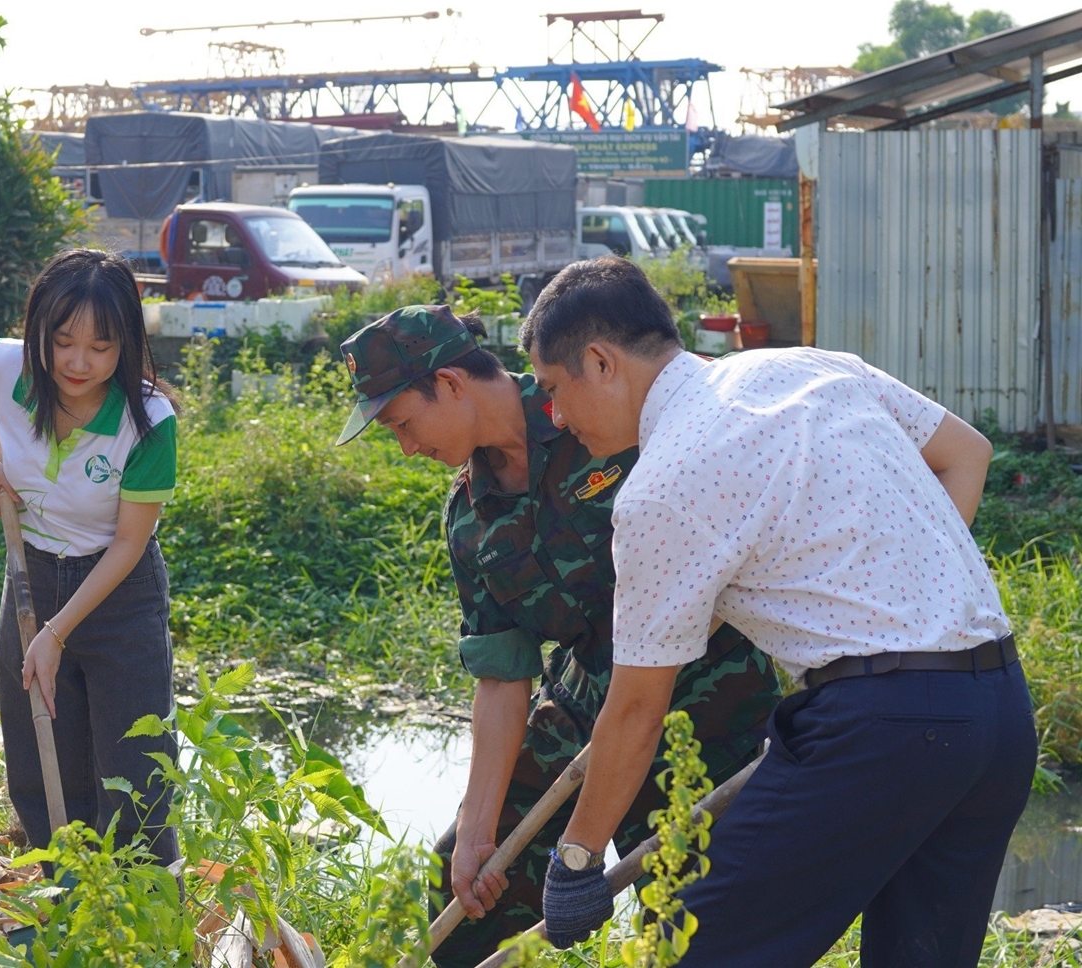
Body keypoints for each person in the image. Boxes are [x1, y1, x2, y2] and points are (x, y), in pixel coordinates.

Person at [527, 257, 1035, 965]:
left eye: (554, 389)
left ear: (600, 362)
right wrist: (915, 615)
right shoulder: (810, 368)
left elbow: (638, 708)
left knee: (686, 950)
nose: (554, 416)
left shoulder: (661, 485)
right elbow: (966, 454)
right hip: (999, 714)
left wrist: (576, 860)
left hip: (881, 730)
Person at [334, 305, 781, 967]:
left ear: (451, 384)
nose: (405, 446)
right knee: (470, 902)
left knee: (704, 931)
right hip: (584, 714)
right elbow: (501, 673)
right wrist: (478, 830)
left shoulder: (594, 407)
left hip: (706, 711)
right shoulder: (470, 520)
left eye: (402, 422)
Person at [0, 248, 180, 867]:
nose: (79, 362)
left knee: (136, 770)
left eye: (101, 347)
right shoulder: (6, 368)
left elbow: (129, 543)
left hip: (118, 592)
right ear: (38, 329)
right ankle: (64, 904)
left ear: (127, 342)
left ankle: (146, 926)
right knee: (41, 753)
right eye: (63, 341)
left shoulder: (149, 421)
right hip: (35, 574)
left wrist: (55, 633)